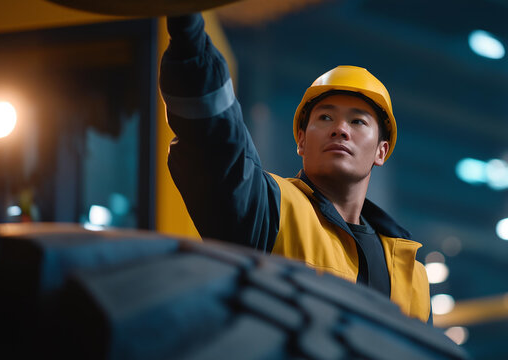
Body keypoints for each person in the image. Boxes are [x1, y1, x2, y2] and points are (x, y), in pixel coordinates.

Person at [160, 13, 430, 322]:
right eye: (325, 118)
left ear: (381, 151)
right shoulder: (271, 209)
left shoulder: (413, 278)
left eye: (357, 121)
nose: (340, 129)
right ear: (301, 141)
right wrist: (188, 37)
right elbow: (216, 144)